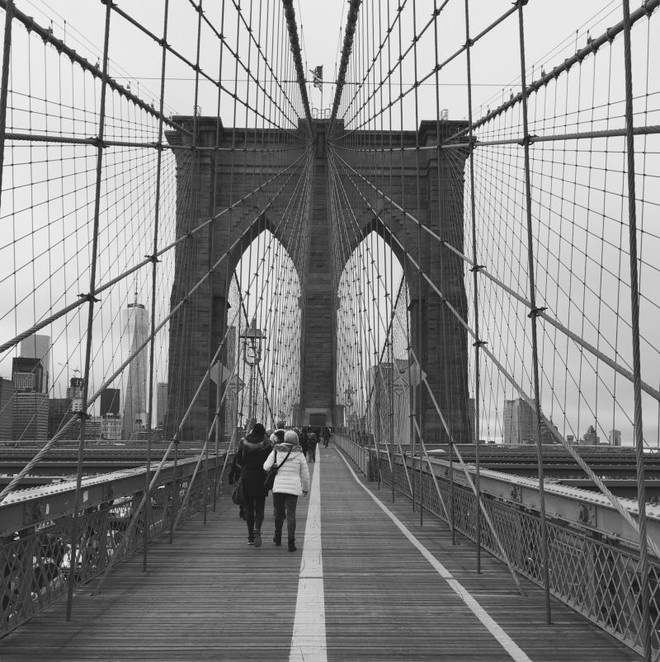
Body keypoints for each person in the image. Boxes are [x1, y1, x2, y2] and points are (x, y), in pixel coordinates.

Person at [264, 429, 310, 552]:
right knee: (291, 514)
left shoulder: (276, 451)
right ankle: (291, 542)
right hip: (293, 488)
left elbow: (266, 466)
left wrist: (275, 466)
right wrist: (305, 488)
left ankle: (277, 537)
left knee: (278, 513)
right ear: (296, 440)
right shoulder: (299, 454)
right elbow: (305, 474)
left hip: (278, 487)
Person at [235, 422, 271, 547]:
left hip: (247, 478)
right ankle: (257, 531)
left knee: (249, 508)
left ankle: (250, 536)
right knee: (260, 508)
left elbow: (239, 461)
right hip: (262, 478)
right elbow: (271, 463)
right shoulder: (267, 445)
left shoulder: (243, 444)